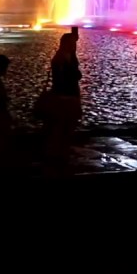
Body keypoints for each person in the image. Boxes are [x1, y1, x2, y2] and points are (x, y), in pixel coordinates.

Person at [44, 27, 82, 172]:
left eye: (75, 43)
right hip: (63, 97)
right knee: (61, 126)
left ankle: (61, 151)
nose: (75, 45)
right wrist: (74, 76)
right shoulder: (60, 59)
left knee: (67, 126)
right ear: (65, 44)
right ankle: (56, 154)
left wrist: (74, 33)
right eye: (72, 43)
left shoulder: (69, 55)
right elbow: (63, 79)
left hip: (70, 95)